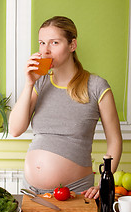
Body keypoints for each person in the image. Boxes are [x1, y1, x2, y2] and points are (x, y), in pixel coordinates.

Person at [9, 16, 122, 199]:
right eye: (42, 43)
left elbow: (115, 141)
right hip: (31, 191)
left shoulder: (96, 86)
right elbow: (15, 129)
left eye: (54, 42)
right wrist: (29, 83)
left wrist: (104, 182)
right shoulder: (40, 82)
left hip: (75, 191)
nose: (46, 50)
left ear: (72, 45)